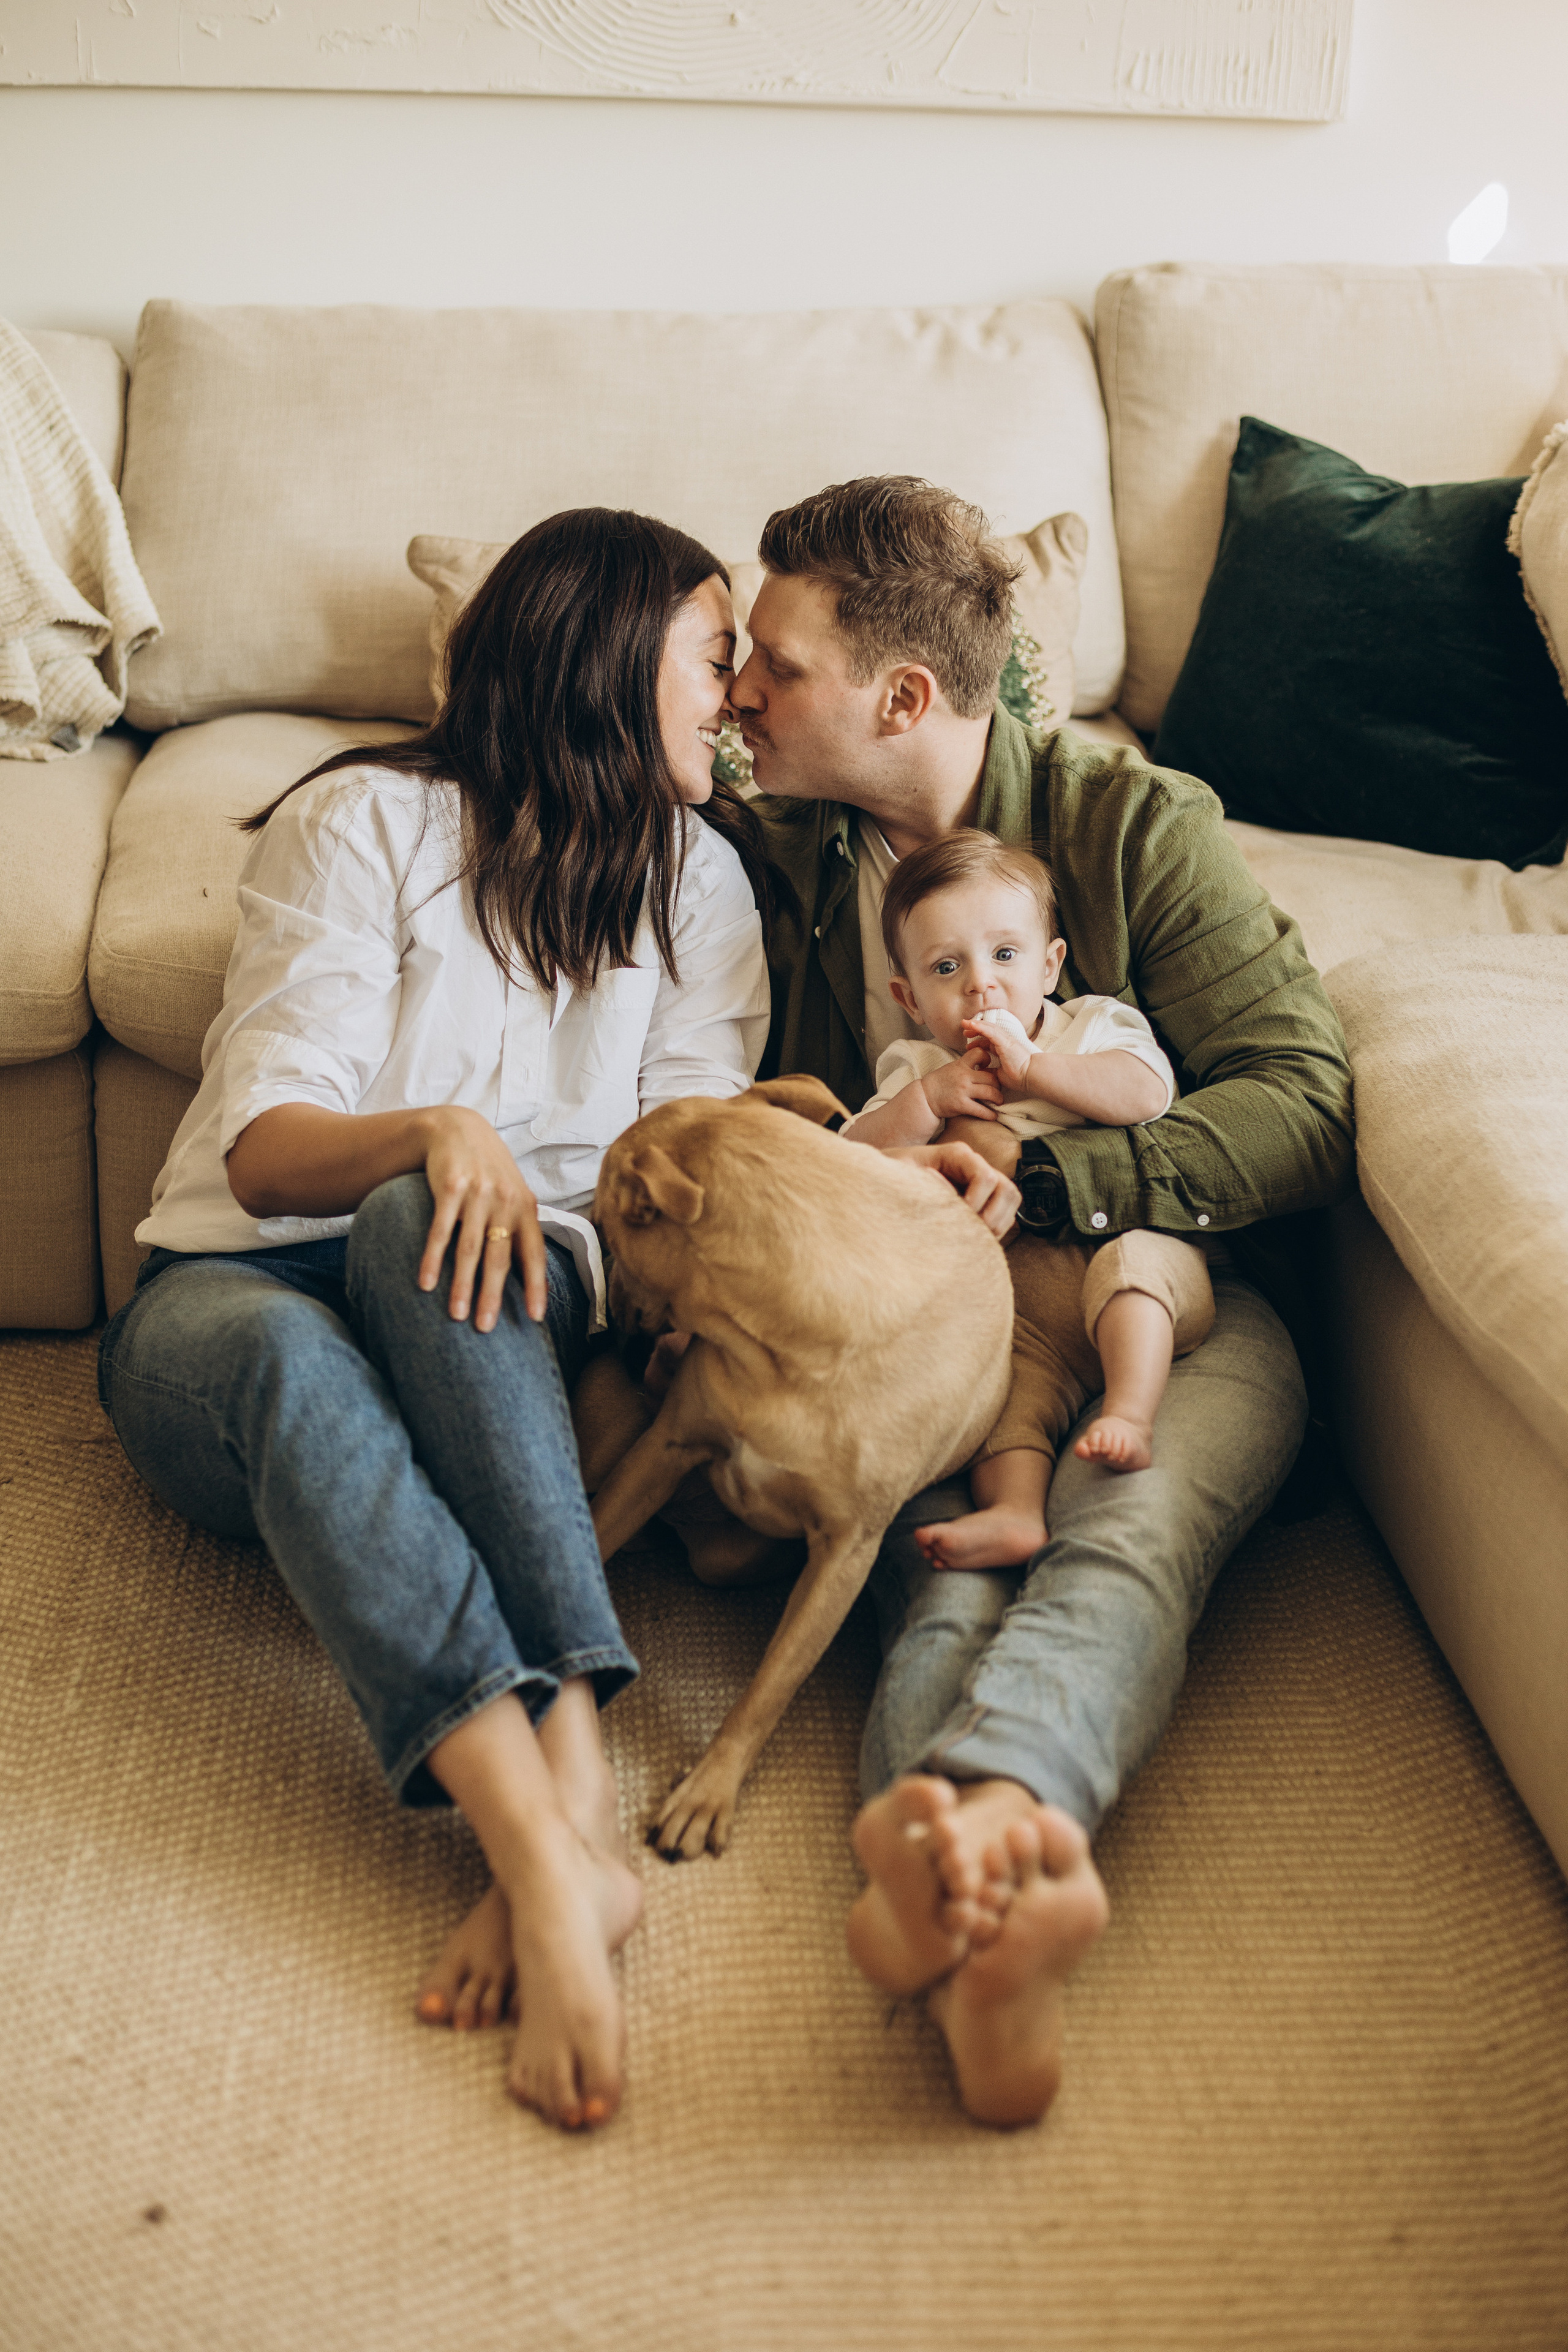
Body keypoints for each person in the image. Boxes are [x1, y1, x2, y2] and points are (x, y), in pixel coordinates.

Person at [97, 508, 782, 2133]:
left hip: (497, 1308)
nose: (735, 696)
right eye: (712, 656)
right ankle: (561, 1838)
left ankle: (548, 1838)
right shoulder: (361, 823)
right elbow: (264, 1156)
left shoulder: (706, 885)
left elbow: (691, 1176)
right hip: (230, 1301)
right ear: (615, 665)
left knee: (438, 1222)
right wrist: (428, 1128)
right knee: (322, 1301)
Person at [733, 474, 1355, 2127]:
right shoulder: (757, 852)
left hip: (1179, 1303)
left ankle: (966, 1846)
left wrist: (1059, 1180)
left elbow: (1301, 1095)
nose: (737, 689)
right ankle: (996, 1892)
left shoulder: (1130, 825)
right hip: (946, 1331)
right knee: (935, 1579)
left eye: (774, 665)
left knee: (1116, 1531)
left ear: (905, 698)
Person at [842, 829, 1214, 1570]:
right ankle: (1015, 1513)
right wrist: (924, 1100)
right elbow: (850, 1160)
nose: (981, 985)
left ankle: (1130, 1414)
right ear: (908, 998)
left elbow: (1146, 1094)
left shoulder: (1093, 1027)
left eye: (1005, 956)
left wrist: (1037, 1070)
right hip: (1020, 1312)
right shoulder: (917, 1066)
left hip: (1122, 1258)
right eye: (947, 968)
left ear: (1051, 966)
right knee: (1002, 1392)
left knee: (1134, 1272)